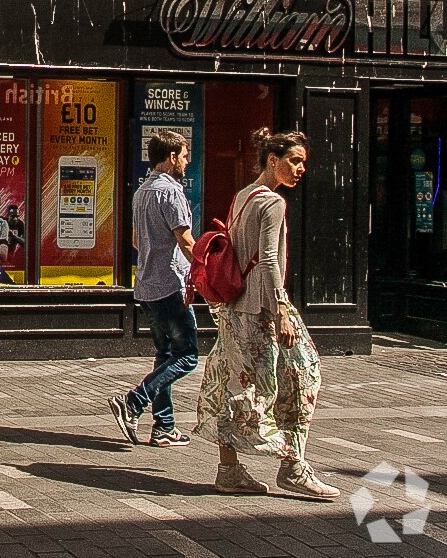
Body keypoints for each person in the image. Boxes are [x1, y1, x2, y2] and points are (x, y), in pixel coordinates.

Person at [194, 129, 340, 500]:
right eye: (294, 161)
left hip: (235, 309)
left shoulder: (244, 195)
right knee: (300, 378)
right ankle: (293, 468)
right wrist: (281, 312)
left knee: (234, 383)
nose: (300, 168)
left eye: (303, 162)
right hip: (261, 309)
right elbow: (270, 260)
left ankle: (229, 470)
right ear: (272, 160)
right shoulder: (273, 202)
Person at [109, 129, 197, 447]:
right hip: (170, 285)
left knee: (165, 355)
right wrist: (205, 271)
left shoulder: (143, 190)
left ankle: (164, 427)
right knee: (187, 356)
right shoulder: (170, 192)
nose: (188, 161)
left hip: (146, 285)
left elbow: (135, 240)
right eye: (185, 155)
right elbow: (185, 240)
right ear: (171, 157)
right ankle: (134, 401)